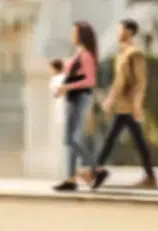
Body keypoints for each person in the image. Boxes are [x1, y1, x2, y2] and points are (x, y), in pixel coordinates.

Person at [90, 18, 158, 190]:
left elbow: (140, 82)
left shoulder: (135, 54)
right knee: (134, 141)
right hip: (121, 106)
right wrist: (110, 99)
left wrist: (137, 105)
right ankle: (150, 176)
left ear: (129, 32)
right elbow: (118, 81)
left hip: (129, 106)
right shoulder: (121, 54)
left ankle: (96, 171)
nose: (118, 33)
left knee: (111, 139)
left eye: (120, 29)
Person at [54, 22, 100, 192]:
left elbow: (90, 80)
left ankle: (96, 168)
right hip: (73, 99)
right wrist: (62, 87)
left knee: (70, 139)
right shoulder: (78, 54)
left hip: (80, 98)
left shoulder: (86, 55)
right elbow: (73, 77)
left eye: (74, 32)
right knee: (70, 140)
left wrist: (67, 87)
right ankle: (70, 179)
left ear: (82, 35)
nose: (71, 35)